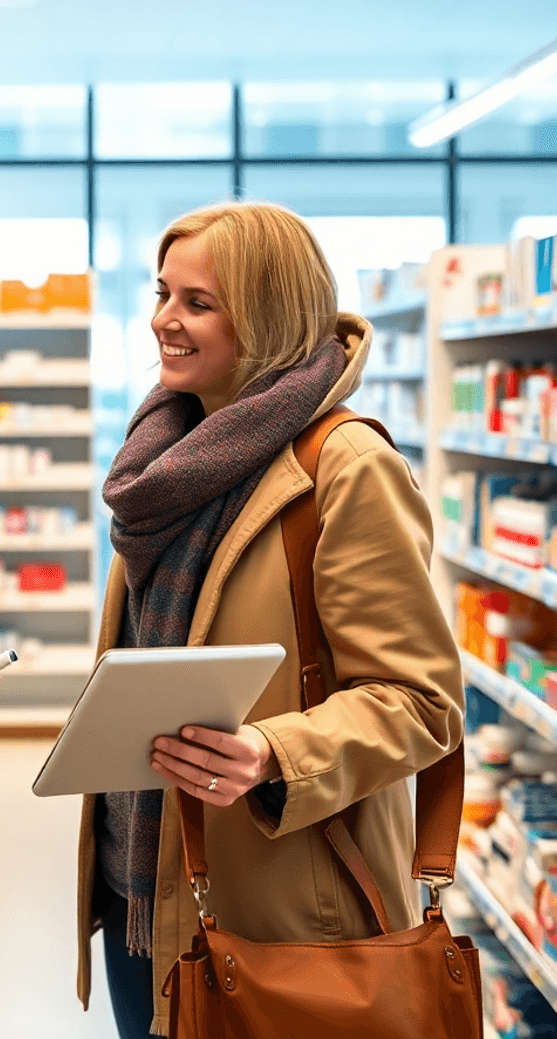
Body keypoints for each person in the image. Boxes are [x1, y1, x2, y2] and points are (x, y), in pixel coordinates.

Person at [73, 202, 464, 1039]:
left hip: (278, 910)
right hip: (145, 883)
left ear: (268, 316)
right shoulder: (162, 462)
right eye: (161, 293)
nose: (163, 323)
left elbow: (422, 702)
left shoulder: (344, 465)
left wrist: (275, 752)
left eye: (197, 303)